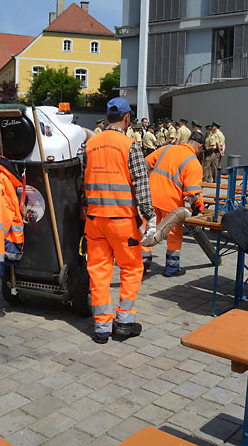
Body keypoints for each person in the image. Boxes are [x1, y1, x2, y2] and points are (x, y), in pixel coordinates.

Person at [82, 97, 155, 344]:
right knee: (131, 268)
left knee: (98, 272)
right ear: (127, 118)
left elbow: (83, 180)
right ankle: (124, 323)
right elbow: (141, 183)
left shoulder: (90, 144)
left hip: (94, 220)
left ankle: (102, 327)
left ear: (107, 117)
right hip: (122, 221)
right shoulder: (130, 145)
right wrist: (150, 216)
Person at [145, 130, 207, 276]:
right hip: (171, 203)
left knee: (148, 229)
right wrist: (199, 205)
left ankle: (141, 264)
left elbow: (145, 164)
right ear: (200, 146)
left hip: (150, 197)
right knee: (174, 234)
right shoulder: (193, 163)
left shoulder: (166, 148)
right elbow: (193, 192)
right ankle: (172, 267)